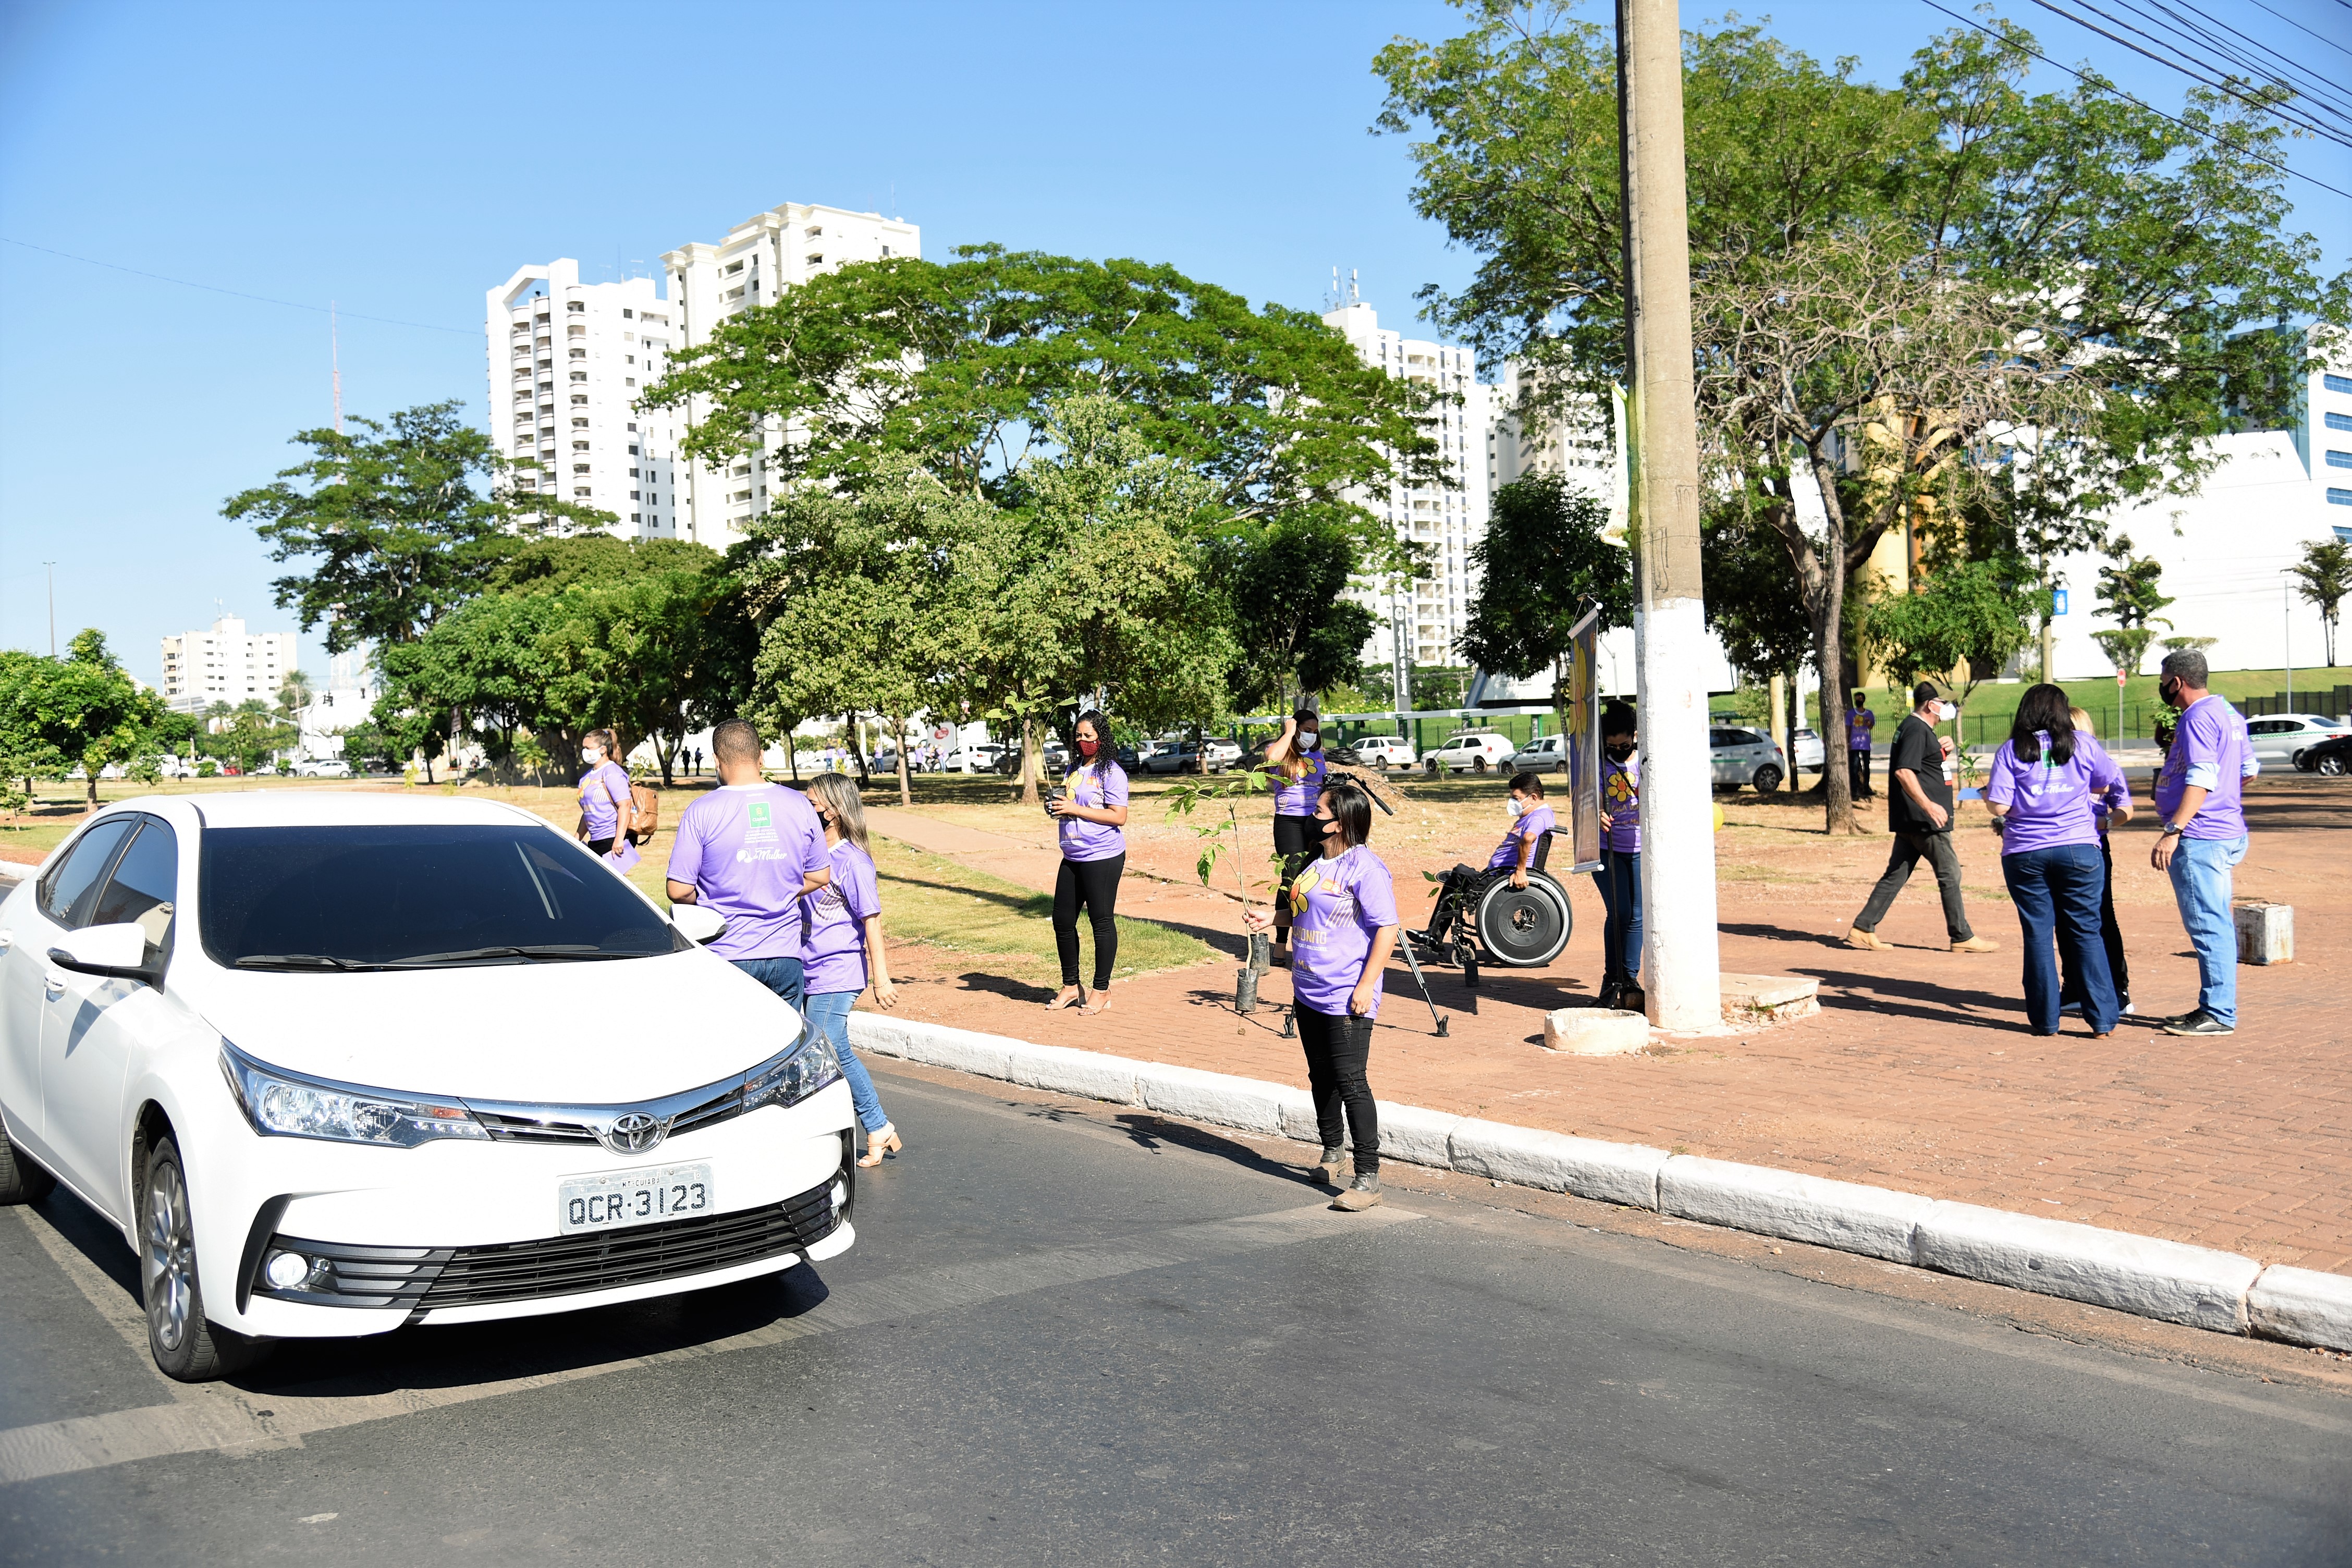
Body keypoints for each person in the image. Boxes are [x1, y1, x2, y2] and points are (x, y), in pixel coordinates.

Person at [1242, 780, 1399, 1212]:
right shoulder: (1315, 861)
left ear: (1340, 822)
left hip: (1346, 993)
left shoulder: (1365, 868)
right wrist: (1271, 917)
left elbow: (1387, 930)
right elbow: (1302, 910)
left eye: (1319, 812)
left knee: (1351, 1081)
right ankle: (1332, 1152)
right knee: (1321, 1076)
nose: (1311, 818)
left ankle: (1368, 1178)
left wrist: (1366, 985)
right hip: (1308, 989)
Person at [1984, 684, 2129, 1037]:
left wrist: (2004, 799)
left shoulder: (2011, 750)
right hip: (2079, 848)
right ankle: (2102, 1021)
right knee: (2086, 931)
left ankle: (2046, 1020)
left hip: (2025, 852)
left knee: (2037, 933)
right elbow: (2106, 784)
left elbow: (1999, 806)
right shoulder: (2083, 745)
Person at [666, 718, 832, 1013]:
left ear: (717, 760)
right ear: (761, 757)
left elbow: (679, 891)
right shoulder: (800, 805)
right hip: (785, 955)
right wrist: (780, 888)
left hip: (726, 952)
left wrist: (708, 899)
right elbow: (820, 876)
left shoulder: (701, 811)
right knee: (784, 1041)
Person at [2149, 650, 2257, 1038]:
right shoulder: (2228, 713)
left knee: (2210, 926)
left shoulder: (2197, 717)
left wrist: (2174, 829)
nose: (2163, 688)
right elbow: (2248, 771)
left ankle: (2219, 1013)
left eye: (2164, 682)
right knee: (2216, 923)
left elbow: (2202, 777)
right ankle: (2215, 1007)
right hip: (2226, 832)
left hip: (2202, 837)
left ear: (2177, 682)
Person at [1847, 680, 1999, 955]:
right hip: (1925, 821)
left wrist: (1941, 750)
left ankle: (1863, 928)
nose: (1948, 707)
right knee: (1950, 873)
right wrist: (1929, 806)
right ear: (1931, 705)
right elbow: (1904, 771)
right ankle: (1961, 936)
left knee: (1896, 874)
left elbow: (1922, 765)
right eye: (1944, 702)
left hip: (1913, 820)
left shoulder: (1918, 729)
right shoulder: (1916, 729)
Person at [801, 773, 904, 1168]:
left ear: (834, 810)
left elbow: (871, 920)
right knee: (820, 1050)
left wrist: (882, 978)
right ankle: (869, 1128)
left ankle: (877, 1126)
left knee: (829, 1044)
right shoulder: (807, 853)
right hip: (804, 965)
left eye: (813, 804)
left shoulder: (853, 861)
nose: (807, 810)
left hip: (839, 968)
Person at [1046, 710, 1129, 1015]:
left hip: (1102, 856)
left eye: (1088, 736)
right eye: (1078, 736)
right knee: (1062, 920)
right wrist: (1057, 807)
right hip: (1072, 855)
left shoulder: (1112, 773)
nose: (1083, 741)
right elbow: (1072, 803)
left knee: (1101, 922)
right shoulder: (1074, 768)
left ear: (1101, 738)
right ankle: (1071, 986)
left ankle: (1101, 990)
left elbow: (1119, 816)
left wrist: (1075, 809)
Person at [1422, 770, 1556, 946]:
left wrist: (1520, 871)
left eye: (1516, 799)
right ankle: (1434, 934)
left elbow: (1528, 838)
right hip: (1497, 874)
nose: (1512, 803)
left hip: (1503, 878)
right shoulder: (1534, 814)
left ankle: (1434, 935)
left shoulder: (1539, 816)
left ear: (1533, 798)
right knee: (1458, 877)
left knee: (1459, 874)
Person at [2059, 706, 2130, 1016]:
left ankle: (2118, 989)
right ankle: (2074, 986)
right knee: (2063, 920)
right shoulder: (2054, 766)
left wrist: (2103, 823)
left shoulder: (2104, 766)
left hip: (2094, 848)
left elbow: (2125, 809)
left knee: (2101, 917)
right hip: (2060, 849)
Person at [1258, 709, 1329, 964]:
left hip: (1315, 821)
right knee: (1291, 878)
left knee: (1315, 878)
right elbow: (1271, 758)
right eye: (1306, 730)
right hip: (1288, 821)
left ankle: (1309, 938)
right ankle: (1280, 944)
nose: (1311, 735)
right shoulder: (1279, 751)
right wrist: (1289, 732)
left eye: (1315, 732)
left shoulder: (1318, 756)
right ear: (1295, 727)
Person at [1594, 703, 1644, 1012]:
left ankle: (1630, 979)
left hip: (1640, 850)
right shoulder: (1599, 766)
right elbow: (1588, 800)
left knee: (1637, 915)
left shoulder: (1645, 762)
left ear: (1635, 736)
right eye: (1611, 747)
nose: (1619, 752)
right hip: (1608, 849)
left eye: (1624, 746)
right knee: (1620, 912)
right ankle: (1612, 977)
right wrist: (1597, 812)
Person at [574, 729, 636, 856]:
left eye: (589, 748)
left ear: (603, 750)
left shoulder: (612, 772)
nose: (585, 752)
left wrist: (619, 839)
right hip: (596, 840)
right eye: (584, 748)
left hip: (612, 838)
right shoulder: (586, 777)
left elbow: (625, 805)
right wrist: (576, 838)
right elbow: (588, 812)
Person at [1846, 691, 1878, 800]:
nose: (1858, 701)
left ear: (1864, 700)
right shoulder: (1850, 714)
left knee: (1866, 766)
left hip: (1865, 744)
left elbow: (1871, 727)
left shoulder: (1869, 713)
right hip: (1854, 744)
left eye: (1860, 699)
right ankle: (1854, 790)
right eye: (1856, 699)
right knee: (1854, 767)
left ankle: (1866, 788)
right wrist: (1848, 742)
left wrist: (1869, 723)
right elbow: (1848, 728)